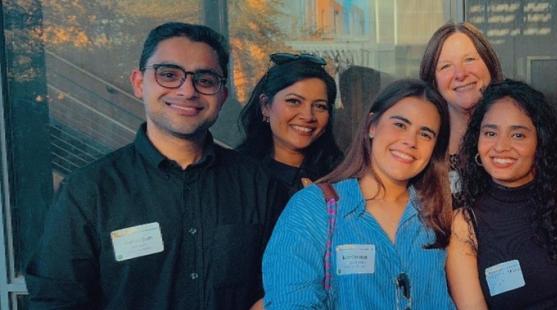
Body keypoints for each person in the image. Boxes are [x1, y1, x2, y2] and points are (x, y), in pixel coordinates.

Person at [25, 22, 287, 309]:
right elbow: (55, 301)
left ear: (222, 95)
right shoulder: (88, 191)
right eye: (169, 75)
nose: (187, 91)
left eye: (205, 80)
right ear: (139, 83)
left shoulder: (259, 184)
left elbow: (285, 284)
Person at [262, 79, 455, 309]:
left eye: (425, 134)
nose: (410, 141)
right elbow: (290, 302)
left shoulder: (439, 215)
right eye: (400, 125)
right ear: (372, 126)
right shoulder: (314, 208)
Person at [447, 80, 557, 309]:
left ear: (540, 142)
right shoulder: (465, 225)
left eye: (518, 135)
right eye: (490, 133)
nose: (501, 146)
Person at [419, 22, 557, 184]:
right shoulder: (423, 149)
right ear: (433, 79)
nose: (460, 74)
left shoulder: (540, 140)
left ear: (489, 64)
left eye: (469, 60)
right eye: (445, 66)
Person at [238, 52, 343, 194]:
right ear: (266, 106)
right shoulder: (237, 176)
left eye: (320, 106)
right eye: (294, 101)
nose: (308, 116)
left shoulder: (343, 179)